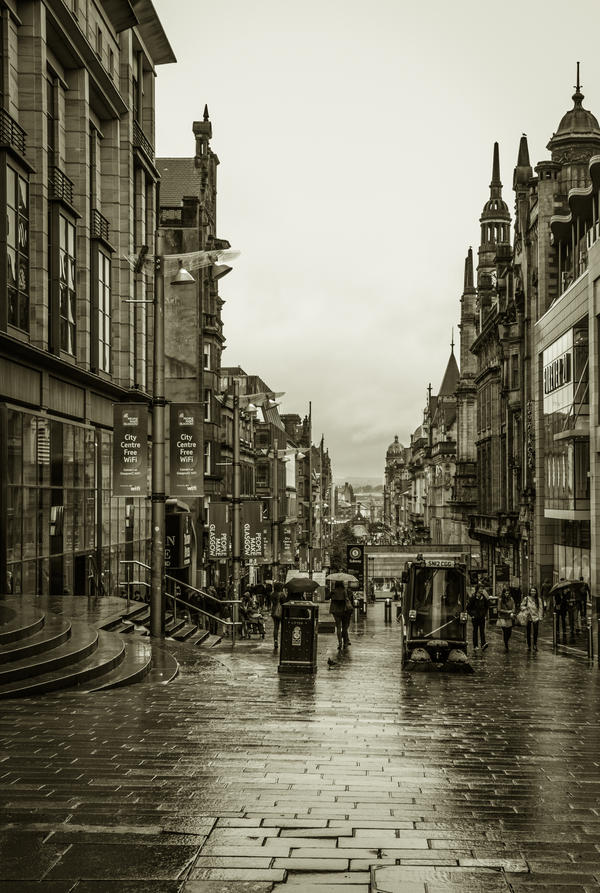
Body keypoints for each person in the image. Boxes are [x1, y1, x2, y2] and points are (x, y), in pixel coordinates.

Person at [467, 583, 490, 651]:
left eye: (482, 588)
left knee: (482, 631)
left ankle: (483, 644)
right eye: (480, 588)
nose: (481, 590)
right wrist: (472, 615)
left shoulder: (483, 597)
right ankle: (475, 646)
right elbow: (468, 608)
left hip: (482, 617)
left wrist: (485, 614)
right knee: (475, 631)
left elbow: (486, 606)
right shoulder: (473, 598)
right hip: (475, 617)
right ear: (477, 589)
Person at [329, 580, 352, 650]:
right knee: (344, 627)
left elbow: (326, 597)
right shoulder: (344, 591)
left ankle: (340, 643)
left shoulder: (333, 591)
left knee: (338, 627)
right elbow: (347, 599)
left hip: (336, 611)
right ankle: (345, 643)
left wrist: (331, 592)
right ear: (342, 584)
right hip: (344, 611)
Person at [521, 585, 543, 652]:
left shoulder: (538, 599)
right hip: (528, 617)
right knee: (528, 632)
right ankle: (529, 645)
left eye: (534, 591)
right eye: (532, 591)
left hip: (536, 617)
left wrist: (540, 617)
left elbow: (540, 609)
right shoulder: (526, 598)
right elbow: (521, 606)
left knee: (535, 632)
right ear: (530, 592)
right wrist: (525, 608)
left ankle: (535, 645)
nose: (533, 592)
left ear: (536, 592)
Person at [270, 581, 286, 651]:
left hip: (274, 612)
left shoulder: (272, 594)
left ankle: (275, 641)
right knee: (283, 627)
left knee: (276, 627)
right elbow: (284, 603)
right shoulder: (282, 594)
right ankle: (283, 641)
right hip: (281, 612)